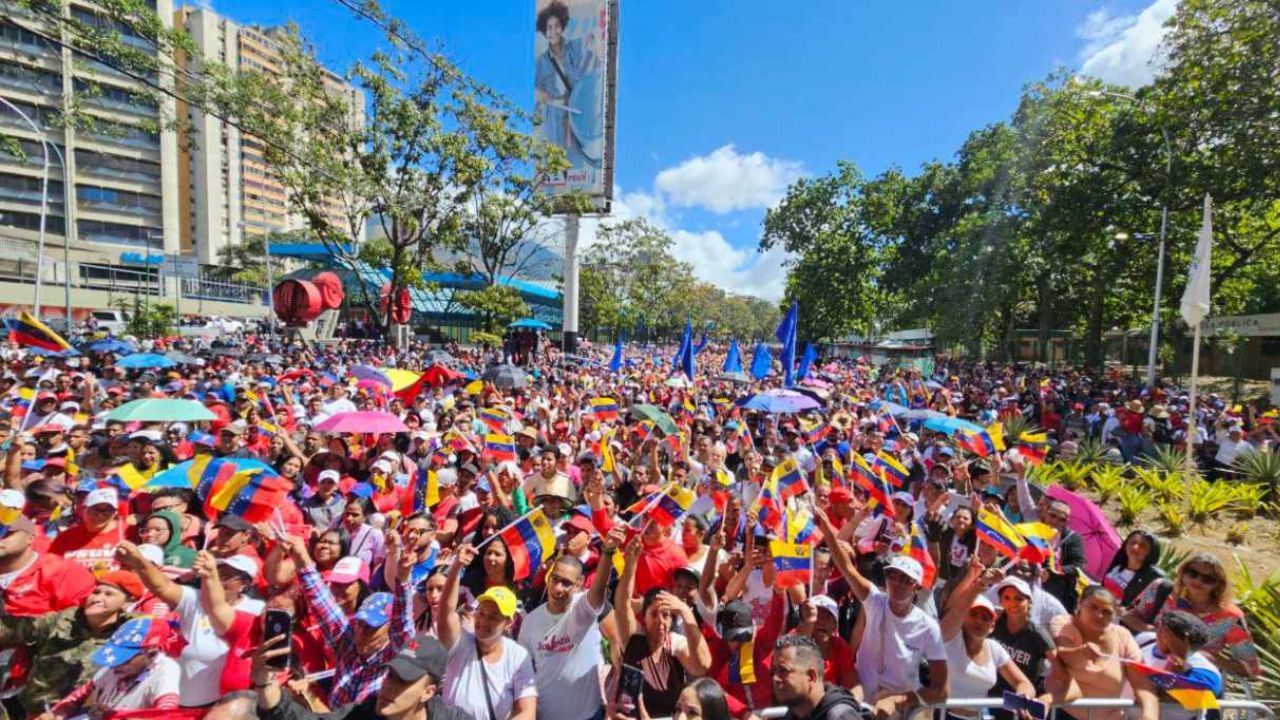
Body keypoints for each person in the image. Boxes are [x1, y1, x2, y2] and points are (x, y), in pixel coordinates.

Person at [814, 507, 947, 717]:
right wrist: (828, 533)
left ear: (917, 587)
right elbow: (847, 567)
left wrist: (899, 700)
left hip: (899, 712)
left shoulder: (929, 627)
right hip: (860, 706)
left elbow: (941, 691)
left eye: (906, 579)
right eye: (892, 576)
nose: (897, 583)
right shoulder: (874, 600)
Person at [281, 532, 417, 707]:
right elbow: (320, 599)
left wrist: (403, 577)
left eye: (370, 627)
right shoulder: (348, 643)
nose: (361, 632)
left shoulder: (395, 656)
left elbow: (403, 620)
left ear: (389, 630)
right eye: (360, 623)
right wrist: (300, 556)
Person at [0, 570, 141, 717]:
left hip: (94, 713)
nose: (97, 598)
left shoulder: (135, 630)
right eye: (96, 592)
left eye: (108, 594)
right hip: (41, 711)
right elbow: (20, 628)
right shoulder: (64, 619)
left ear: (128, 601)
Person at [517, 525, 623, 720]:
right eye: (555, 579)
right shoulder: (530, 622)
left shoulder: (583, 609)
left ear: (579, 584)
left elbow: (598, 591)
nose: (558, 588)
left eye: (566, 583)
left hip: (588, 716)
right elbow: (523, 674)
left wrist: (607, 551)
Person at [252, 633, 475, 720]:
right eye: (390, 675)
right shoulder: (362, 715)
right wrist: (264, 680)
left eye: (403, 680)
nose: (389, 686)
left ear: (428, 692)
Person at [613, 534, 711, 718]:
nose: (660, 620)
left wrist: (685, 611)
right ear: (644, 617)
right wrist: (632, 562)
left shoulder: (675, 644)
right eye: (654, 614)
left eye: (666, 615)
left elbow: (702, 666)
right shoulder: (634, 640)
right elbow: (622, 604)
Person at [437, 543, 538, 720]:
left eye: (493, 617)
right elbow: (445, 613)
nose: (483, 621)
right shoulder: (460, 642)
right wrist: (456, 568)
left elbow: (527, 712)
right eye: (481, 613)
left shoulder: (518, 657)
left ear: (509, 622)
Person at [1120, 552, 1260, 678]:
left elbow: (1250, 669)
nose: (1198, 581)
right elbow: (1129, 616)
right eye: (1192, 573)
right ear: (1182, 572)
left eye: (1208, 579)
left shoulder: (1230, 617)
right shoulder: (1161, 590)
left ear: (1219, 584)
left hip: (1193, 679)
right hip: (1143, 666)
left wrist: (1209, 658)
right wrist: (1159, 634)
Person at [937, 559, 1037, 720]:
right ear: (964, 617)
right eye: (973, 614)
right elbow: (955, 611)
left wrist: (1023, 698)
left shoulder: (994, 648)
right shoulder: (950, 638)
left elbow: (1024, 683)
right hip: (943, 715)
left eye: (985, 618)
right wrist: (981, 583)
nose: (979, 621)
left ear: (992, 626)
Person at [1046, 586, 1157, 720]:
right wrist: (1081, 652)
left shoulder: (1123, 636)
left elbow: (1142, 683)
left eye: (1107, 612)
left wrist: (1149, 714)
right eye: (1092, 607)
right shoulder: (1063, 623)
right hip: (1062, 714)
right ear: (1080, 603)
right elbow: (1064, 657)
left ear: (1115, 614)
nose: (1099, 615)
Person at [48, 616, 182, 717]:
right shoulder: (114, 666)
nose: (114, 665)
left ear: (152, 654)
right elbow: (80, 695)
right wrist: (58, 712)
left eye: (124, 660)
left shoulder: (165, 670)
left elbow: (167, 712)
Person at [1138, 610, 1223, 720]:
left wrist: (1177, 657)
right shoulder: (1146, 640)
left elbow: (1166, 697)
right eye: (1159, 627)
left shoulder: (1206, 672)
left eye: (1167, 633)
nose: (1159, 633)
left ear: (1184, 638)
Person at [771, 635, 862, 720]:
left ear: (811, 676)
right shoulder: (794, 715)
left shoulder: (841, 716)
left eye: (783, 670)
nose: (775, 678)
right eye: (774, 670)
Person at [1101, 530, 1163, 610]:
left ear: (1150, 552)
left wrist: (1126, 611)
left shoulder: (1151, 579)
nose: (1135, 547)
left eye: (1142, 545)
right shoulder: (1117, 565)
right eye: (1132, 542)